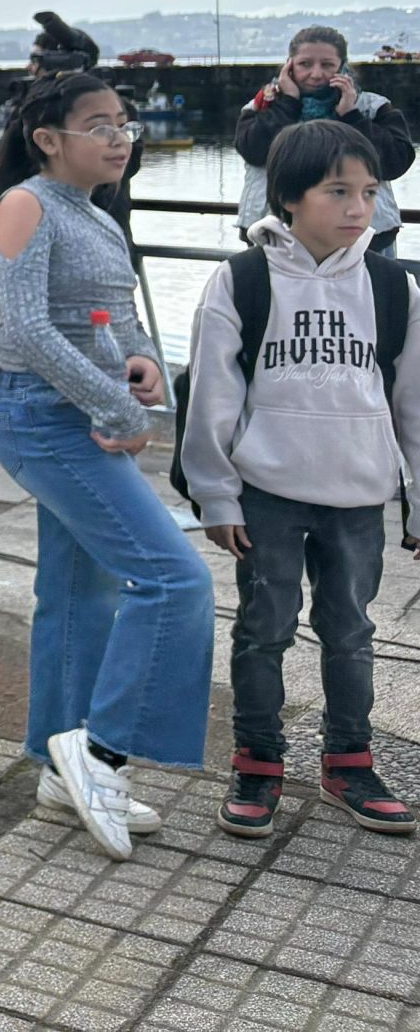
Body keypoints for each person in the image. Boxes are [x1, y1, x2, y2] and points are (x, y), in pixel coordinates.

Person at [0, 71, 213, 862]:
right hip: (45, 422)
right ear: (49, 139)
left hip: (81, 420)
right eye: (101, 125)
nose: (120, 138)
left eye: (125, 123)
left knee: (80, 594)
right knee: (176, 580)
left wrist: (142, 360)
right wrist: (119, 409)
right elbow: (27, 331)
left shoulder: (99, 215)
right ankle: (103, 750)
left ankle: (60, 766)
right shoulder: (27, 204)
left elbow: (119, 315)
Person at [183, 120, 420, 838]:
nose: (358, 207)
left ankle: (349, 762)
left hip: (358, 495)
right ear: (288, 196)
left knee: (351, 632)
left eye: (369, 192)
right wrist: (216, 495)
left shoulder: (394, 287)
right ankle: (257, 763)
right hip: (268, 493)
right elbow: (212, 399)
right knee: (265, 630)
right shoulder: (243, 279)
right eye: (337, 191)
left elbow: (412, 404)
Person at [236, 26, 412, 254]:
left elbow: (394, 163)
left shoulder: (372, 108)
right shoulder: (261, 107)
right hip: (276, 235)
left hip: (365, 238)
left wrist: (351, 116)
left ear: (343, 67)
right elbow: (254, 151)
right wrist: (287, 104)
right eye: (305, 64)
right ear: (289, 66)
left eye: (327, 65)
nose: (316, 74)